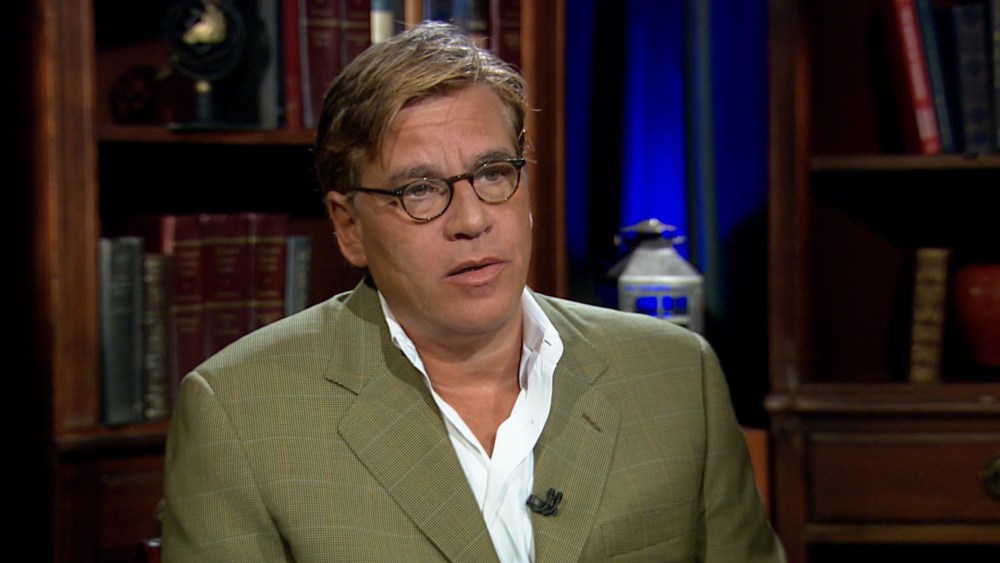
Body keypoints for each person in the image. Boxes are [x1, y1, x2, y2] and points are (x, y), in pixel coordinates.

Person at [162, 21, 785, 562]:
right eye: (420, 190)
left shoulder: (675, 375)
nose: (472, 219)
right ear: (349, 227)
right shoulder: (240, 414)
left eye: (492, 174)